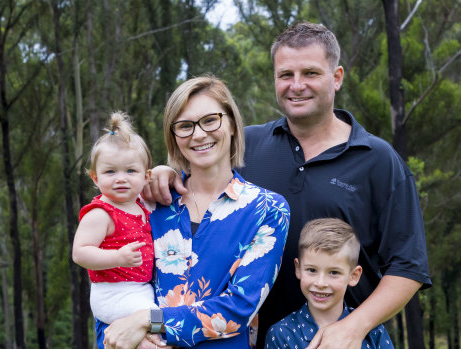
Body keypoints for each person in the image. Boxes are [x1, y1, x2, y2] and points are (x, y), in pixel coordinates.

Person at [145, 22, 431, 349]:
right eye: (285, 75)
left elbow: (408, 266)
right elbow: (199, 173)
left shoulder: (378, 160)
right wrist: (166, 173)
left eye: (310, 73)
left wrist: (352, 327)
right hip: (248, 339)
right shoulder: (247, 145)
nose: (297, 86)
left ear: (336, 77)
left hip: (338, 341)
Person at [102, 76, 290, 349]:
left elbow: (239, 309)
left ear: (233, 125)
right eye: (185, 126)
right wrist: (137, 340)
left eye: (210, 120)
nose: (199, 134)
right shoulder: (148, 201)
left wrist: (149, 320)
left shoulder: (268, 210)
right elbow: (109, 288)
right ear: (173, 136)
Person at [72, 112, 158, 349]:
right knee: (157, 322)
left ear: (146, 176)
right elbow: (80, 253)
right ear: (95, 177)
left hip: (139, 290)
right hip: (113, 293)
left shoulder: (142, 205)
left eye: (130, 171)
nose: (121, 179)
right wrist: (117, 257)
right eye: (110, 172)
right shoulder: (101, 213)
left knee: (156, 326)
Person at [265, 218, 394, 348]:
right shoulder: (281, 334)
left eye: (333, 272)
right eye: (312, 270)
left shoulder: (374, 332)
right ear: (298, 269)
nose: (320, 283)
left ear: (353, 276)